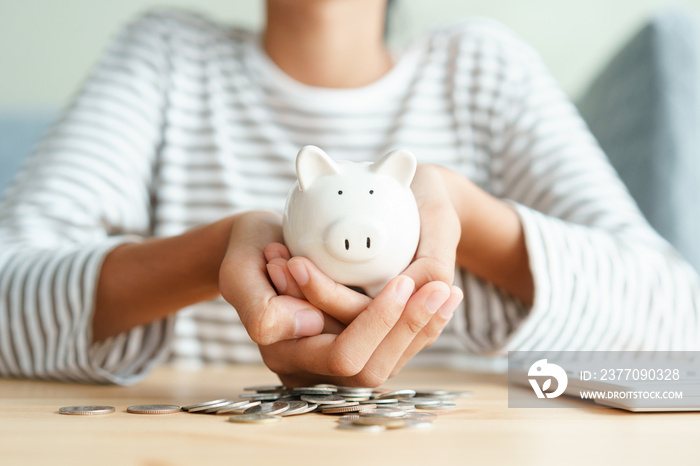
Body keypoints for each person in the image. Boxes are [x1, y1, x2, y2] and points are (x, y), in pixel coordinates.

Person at [0, 0, 698, 386]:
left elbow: (681, 327)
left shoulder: (484, 72)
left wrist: (468, 219)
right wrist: (214, 253)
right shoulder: (163, 60)